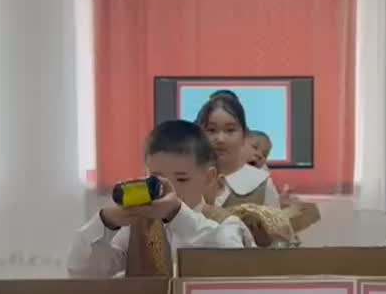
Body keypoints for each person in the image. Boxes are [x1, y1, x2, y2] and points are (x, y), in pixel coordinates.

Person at [67, 119, 253, 278]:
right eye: (157, 179)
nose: (169, 189)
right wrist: (106, 222)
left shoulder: (225, 223)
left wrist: (177, 213)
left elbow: (233, 264)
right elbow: (82, 271)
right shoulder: (138, 227)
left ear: (209, 177)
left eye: (182, 179)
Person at [196, 90, 280, 208]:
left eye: (230, 130)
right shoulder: (184, 178)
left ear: (244, 135)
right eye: (211, 130)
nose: (220, 139)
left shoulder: (261, 184)